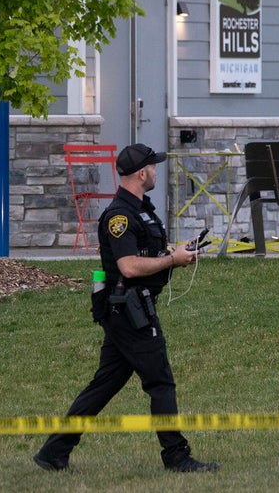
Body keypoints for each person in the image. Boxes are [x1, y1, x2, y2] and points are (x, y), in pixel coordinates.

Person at [34, 143, 217, 474]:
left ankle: (54, 451)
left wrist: (176, 252)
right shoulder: (119, 216)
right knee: (160, 382)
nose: (156, 172)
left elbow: (147, 251)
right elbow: (129, 266)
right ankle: (176, 456)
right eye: (153, 167)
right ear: (141, 173)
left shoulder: (141, 209)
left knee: (105, 384)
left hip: (131, 310)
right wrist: (171, 260)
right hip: (130, 312)